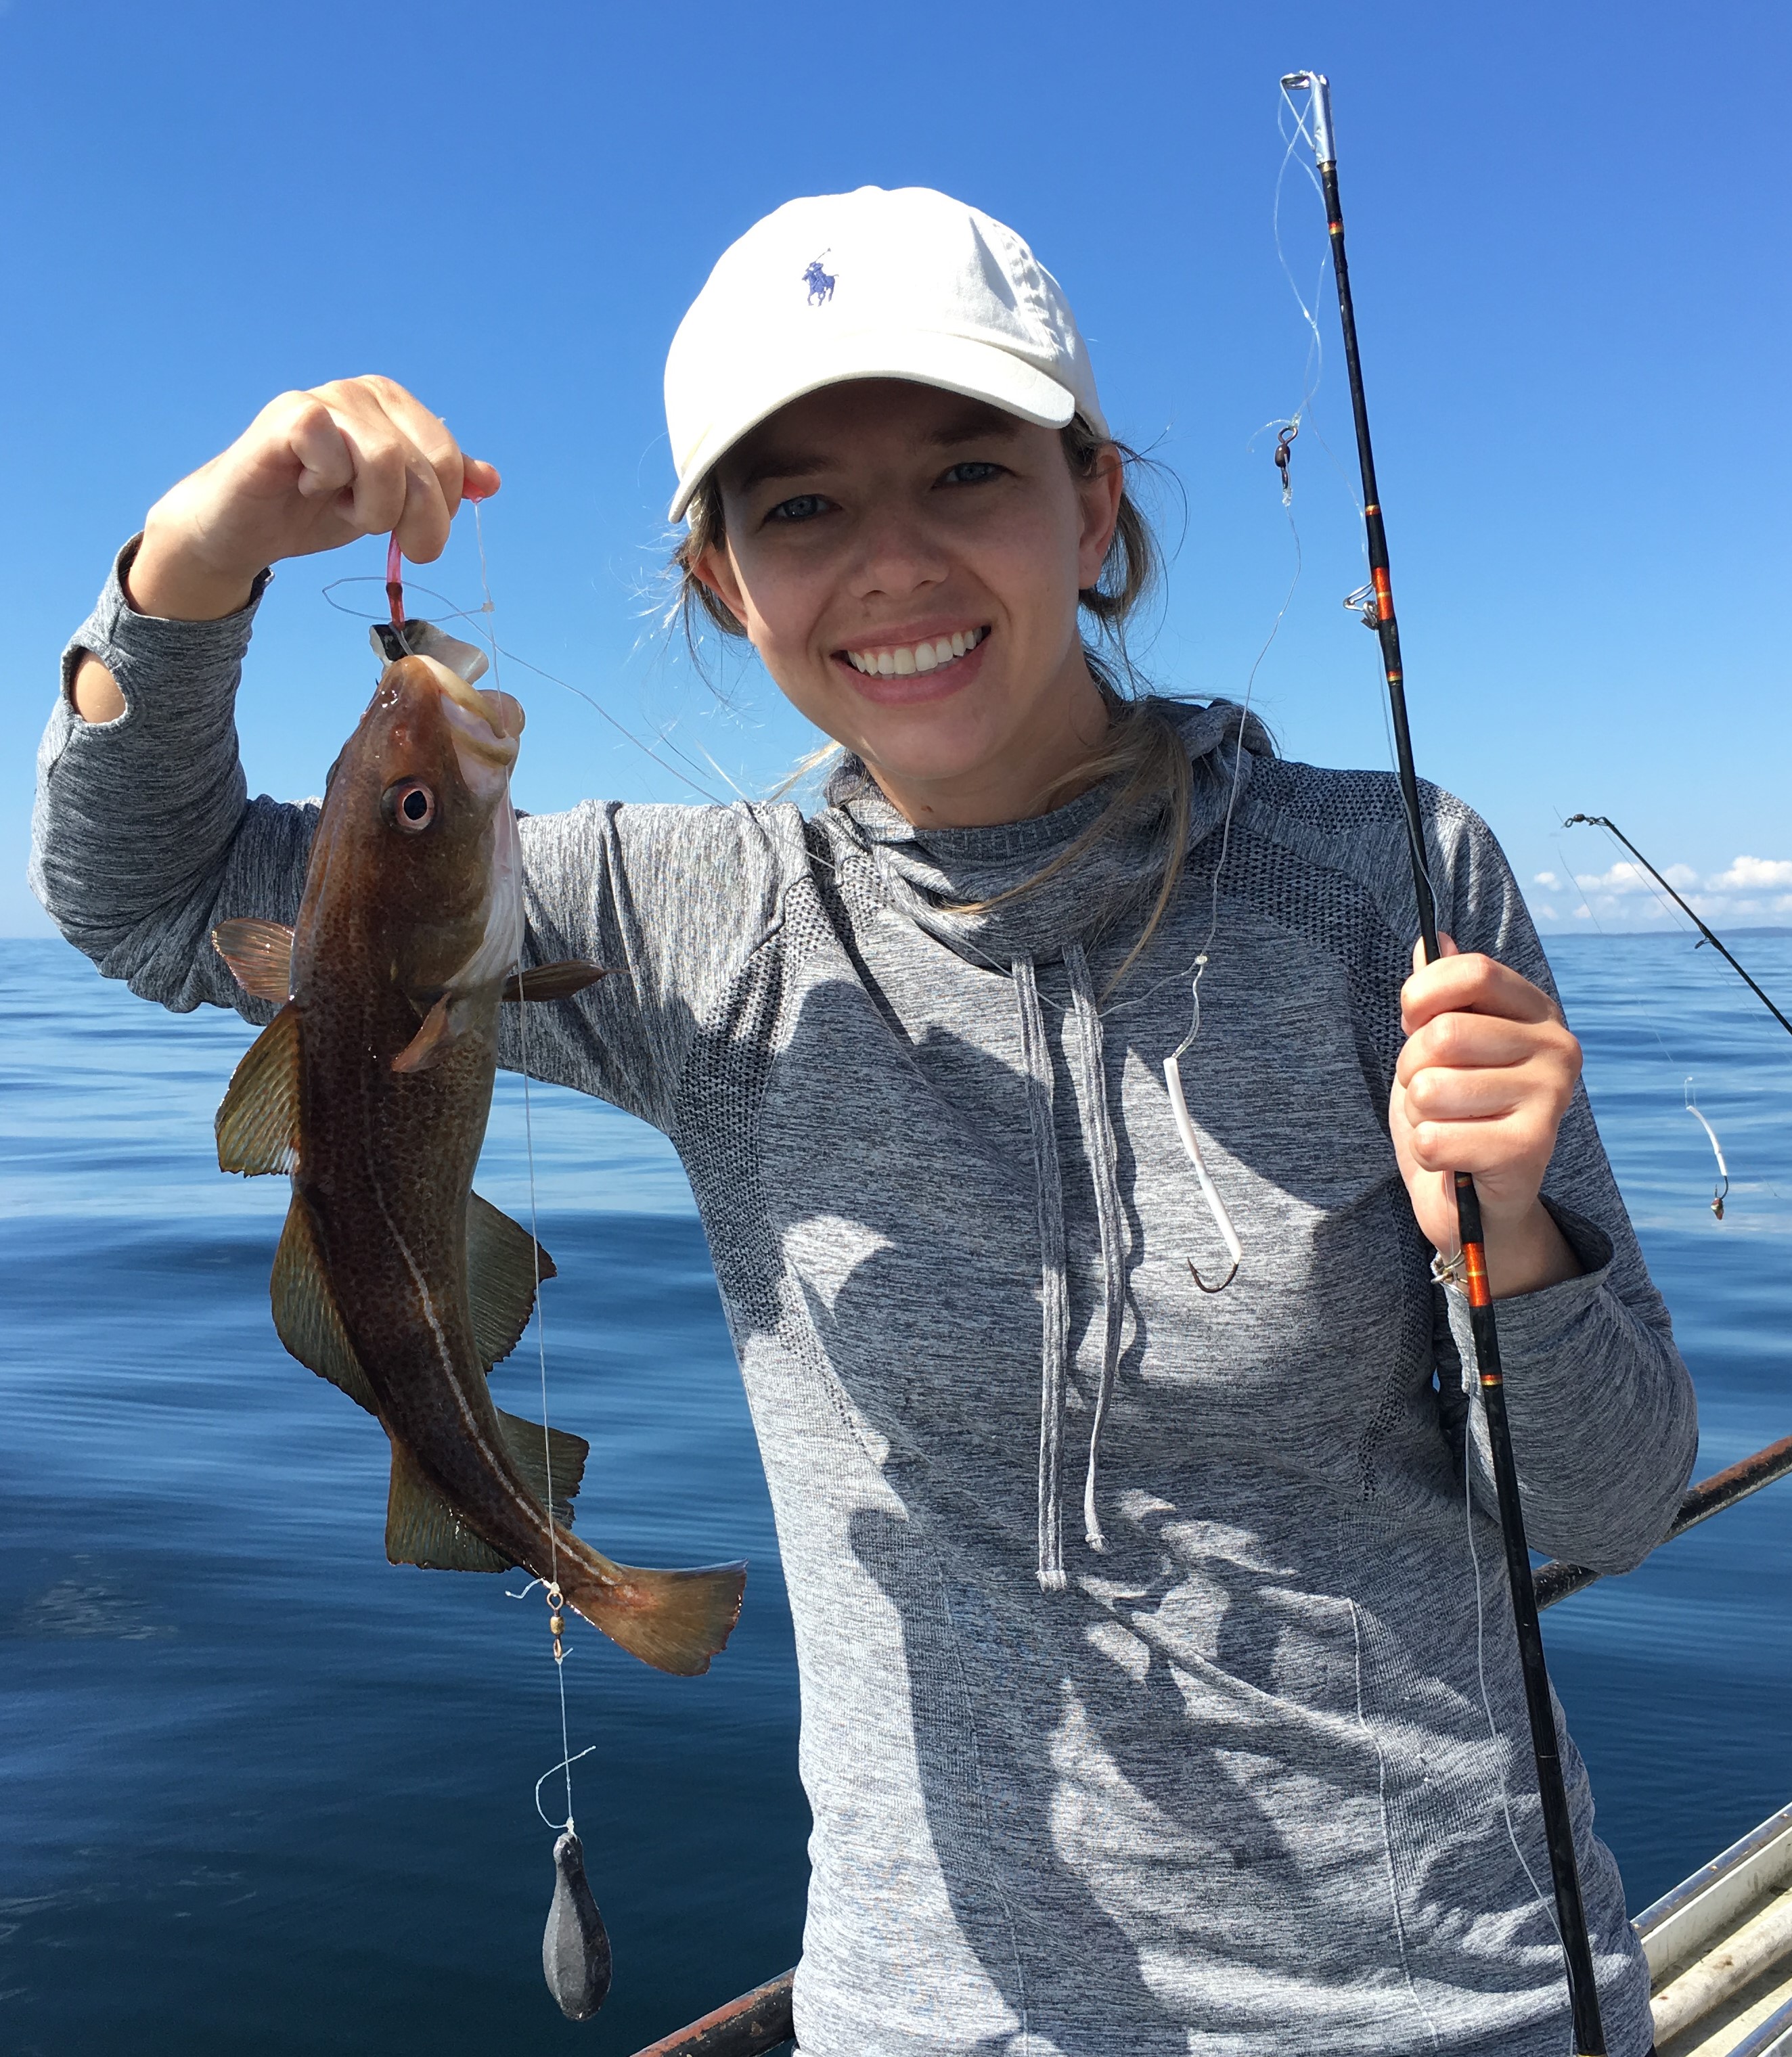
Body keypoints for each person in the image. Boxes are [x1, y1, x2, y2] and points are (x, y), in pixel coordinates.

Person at [33, 185, 1694, 2056]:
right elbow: (155, 896)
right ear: (730, 581)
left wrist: (1522, 1244)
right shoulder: (698, 920)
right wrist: (197, 557)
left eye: (966, 473)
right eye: (801, 506)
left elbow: (1619, 1503)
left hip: (1460, 2006)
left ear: (1096, 507)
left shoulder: (1388, 868)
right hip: (949, 2016)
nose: (890, 565)